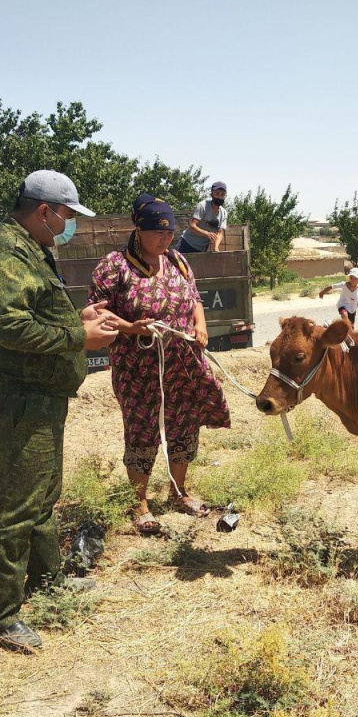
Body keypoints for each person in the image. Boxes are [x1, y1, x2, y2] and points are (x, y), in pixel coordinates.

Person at [0, 170, 120, 653]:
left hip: (41, 395)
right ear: (43, 212)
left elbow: (32, 316)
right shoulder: (4, 253)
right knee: (15, 506)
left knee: (42, 494)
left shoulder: (32, 250)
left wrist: (78, 319)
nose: (69, 224)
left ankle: (47, 580)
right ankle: (3, 615)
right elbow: (11, 329)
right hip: (18, 400)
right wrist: (80, 338)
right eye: (68, 216)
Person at [89, 195, 230, 534]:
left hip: (182, 363)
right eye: (157, 233)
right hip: (139, 369)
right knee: (142, 430)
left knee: (184, 423)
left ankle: (178, 493)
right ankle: (139, 503)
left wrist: (201, 326)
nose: (165, 240)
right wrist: (129, 326)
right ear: (138, 229)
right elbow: (96, 312)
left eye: (170, 233)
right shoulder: (114, 266)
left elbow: (194, 297)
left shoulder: (178, 260)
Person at [177, 181, 229, 254]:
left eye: (222, 194)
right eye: (217, 194)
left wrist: (216, 247)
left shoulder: (223, 213)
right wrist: (206, 234)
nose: (219, 197)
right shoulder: (203, 206)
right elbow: (192, 226)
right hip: (187, 243)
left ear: (225, 196)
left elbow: (220, 233)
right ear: (211, 194)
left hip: (201, 248)